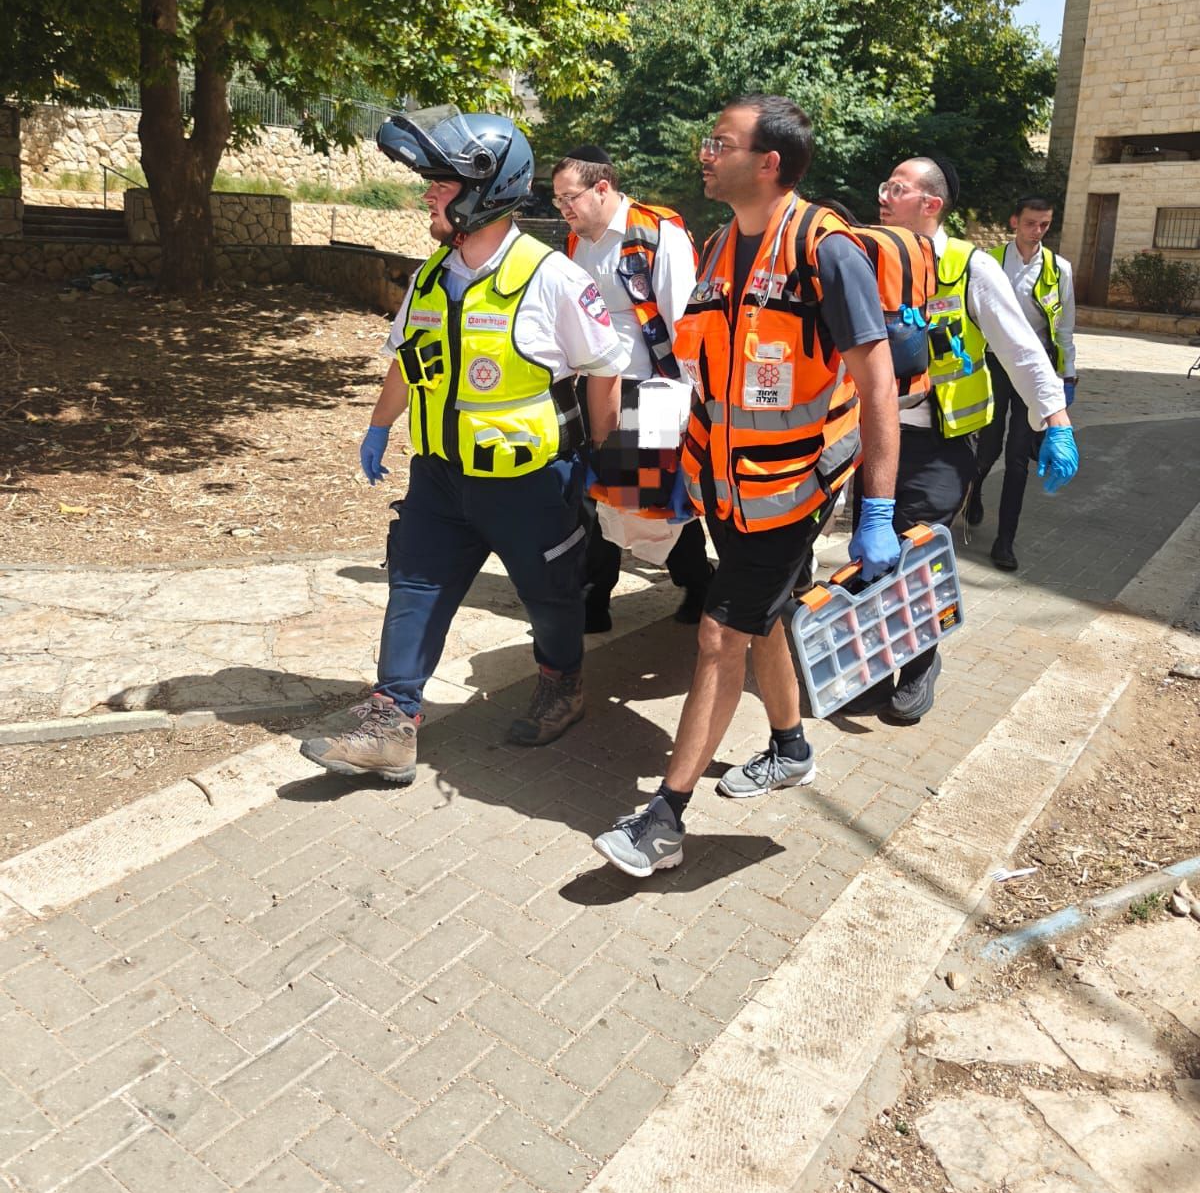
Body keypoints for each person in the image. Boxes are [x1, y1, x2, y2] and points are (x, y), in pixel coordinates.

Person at [593, 94, 903, 877]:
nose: (704, 152)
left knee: (718, 635)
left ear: (767, 162)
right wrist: (650, 461)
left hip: (792, 491)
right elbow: (696, 370)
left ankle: (664, 819)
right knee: (764, 621)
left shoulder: (827, 252)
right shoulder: (720, 245)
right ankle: (791, 745)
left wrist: (880, 509)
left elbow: (878, 389)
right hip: (725, 490)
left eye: (718, 142)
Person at [300, 110, 624, 787]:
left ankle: (562, 685)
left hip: (531, 484)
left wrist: (597, 455)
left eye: (440, 183)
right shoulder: (430, 277)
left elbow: (603, 368)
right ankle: (392, 724)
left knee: (552, 598)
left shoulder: (553, 278)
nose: (427, 194)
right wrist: (379, 426)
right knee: (414, 587)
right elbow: (406, 361)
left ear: (485, 191)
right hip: (441, 480)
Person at [873, 157, 1080, 720]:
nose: (883, 196)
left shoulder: (968, 266)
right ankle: (885, 654)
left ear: (931, 204)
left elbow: (1021, 348)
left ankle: (918, 666)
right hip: (876, 438)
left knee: (915, 555)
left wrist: (1055, 420)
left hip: (942, 439)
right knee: (877, 558)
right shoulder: (869, 256)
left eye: (897, 187)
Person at [552, 144, 712, 631]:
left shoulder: (657, 231)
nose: (564, 209)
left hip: (652, 391)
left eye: (569, 197)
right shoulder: (579, 241)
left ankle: (697, 580)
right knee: (592, 496)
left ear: (603, 188)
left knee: (648, 502)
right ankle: (594, 597)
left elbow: (684, 319)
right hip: (595, 386)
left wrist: (690, 402)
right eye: (558, 200)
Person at [967, 196, 1077, 570]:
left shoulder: (1058, 269)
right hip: (996, 364)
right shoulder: (989, 262)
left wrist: (1067, 375)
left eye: (1045, 224)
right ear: (1015, 221)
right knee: (989, 447)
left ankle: (1005, 541)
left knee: (1018, 458)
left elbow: (1064, 328)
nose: (1037, 230)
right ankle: (975, 490)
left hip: (1036, 368)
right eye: (1031, 223)